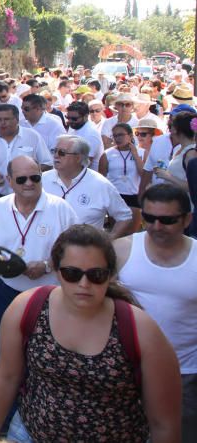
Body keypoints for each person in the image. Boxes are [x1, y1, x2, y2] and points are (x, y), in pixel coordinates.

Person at [0, 223, 181, 443]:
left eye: (96, 275)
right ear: (58, 272)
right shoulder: (27, 307)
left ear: (111, 275)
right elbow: (7, 377)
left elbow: (163, 423)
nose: (84, 284)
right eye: (72, 273)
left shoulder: (141, 330)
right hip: (29, 434)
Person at [116, 184, 197, 440]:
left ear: (187, 219)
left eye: (167, 220)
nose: (156, 226)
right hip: (124, 369)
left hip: (183, 373)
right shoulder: (121, 250)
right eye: (149, 218)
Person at [0, 156, 76, 357]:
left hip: (50, 296)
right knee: (7, 352)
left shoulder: (61, 208)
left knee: (46, 357)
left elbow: (76, 251)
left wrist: (47, 266)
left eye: (35, 178)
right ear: (9, 181)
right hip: (8, 292)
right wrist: (0, 259)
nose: (29, 183)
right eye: (21, 179)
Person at [43, 135, 134, 237]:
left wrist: (110, 239)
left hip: (85, 250)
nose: (56, 156)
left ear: (78, 158)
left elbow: (124, 216)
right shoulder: (41, 180)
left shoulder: (101, 185)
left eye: (62, 153)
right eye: (54, 151)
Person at [0, 104, 53, 201]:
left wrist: (27, 175)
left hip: (27, 196)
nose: (2, 123)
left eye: (7, 119)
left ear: (17, 119)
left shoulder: (32, 136)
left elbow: (48, 164)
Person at [99, 123, 145, 229]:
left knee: (133, 231)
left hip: (134, 195)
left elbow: (143, 174)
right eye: (115, 136)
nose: (117, 138)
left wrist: (135, 154)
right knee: (116, 232)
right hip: (116, 195)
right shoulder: (107, 154)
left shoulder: (142, 152)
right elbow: (101, 178)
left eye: (121, 135)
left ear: (130, 135)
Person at [65, 100, 103, 169]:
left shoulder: (91, 134)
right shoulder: (74, 127)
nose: (70, 121)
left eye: (74, 118)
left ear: (85, 116)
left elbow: (85, 163)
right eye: (68, 118)